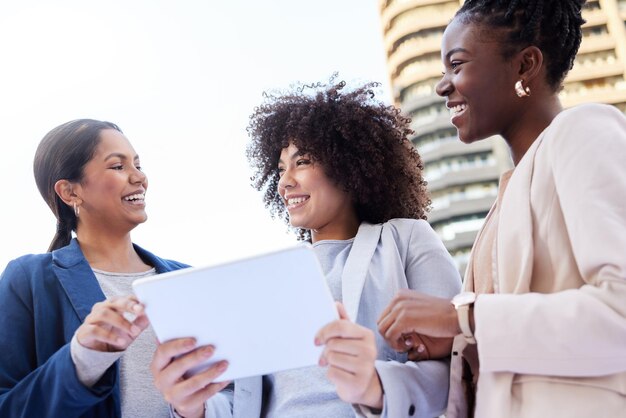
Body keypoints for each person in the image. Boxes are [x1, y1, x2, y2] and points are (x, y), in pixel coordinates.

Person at [150, 79, 462, 417]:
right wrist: (190, 405)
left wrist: (375, 384)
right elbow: (240, 401)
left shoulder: (406, 239)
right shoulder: (268, 280)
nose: (285, 182)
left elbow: (456, 368)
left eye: (303, 162)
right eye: (281, 168)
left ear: (348, 167)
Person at [377, 0, 626, 417]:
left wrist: (463, 318)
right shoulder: (502, 204)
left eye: (457, 65)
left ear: (526, 64)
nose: (443, 86)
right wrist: (460, 346)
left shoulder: (584, 130)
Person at [0, 119, 199, 417]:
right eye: (118, 167)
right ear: (70, 192)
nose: (139, 177)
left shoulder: (186, 280)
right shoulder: (29, 279)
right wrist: (81, 358)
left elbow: (232, 395)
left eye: (138, 164)